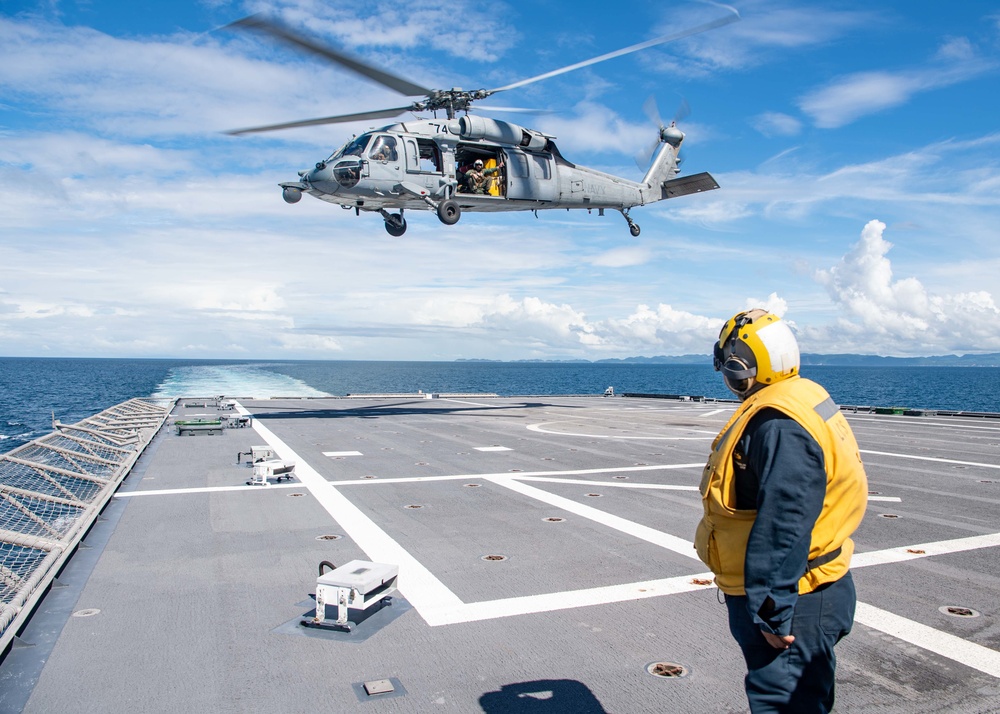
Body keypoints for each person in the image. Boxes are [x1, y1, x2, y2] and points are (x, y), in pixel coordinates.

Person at [694, 309, 868, 714]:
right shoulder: (802, 395)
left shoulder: (775, 424)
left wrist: (773, 610)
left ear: (741, 367)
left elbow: (786, 519)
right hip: (815, 584)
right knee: (808, 699)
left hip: (796, 598)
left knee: (784, 703)